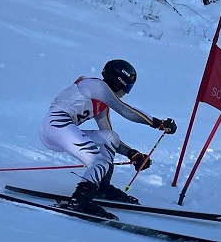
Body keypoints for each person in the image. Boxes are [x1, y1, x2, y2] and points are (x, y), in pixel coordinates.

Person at [40, 59, 177, 219]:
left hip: (63, 130)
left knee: (110, 137)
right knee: (98, 161)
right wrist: (156, 122)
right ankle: (80, 201)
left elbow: (108, 135)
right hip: (56, 126)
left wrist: (131, 153)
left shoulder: (101, 104)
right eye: (128, 87)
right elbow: (125, 110)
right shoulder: (95, 86)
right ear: (118, 82)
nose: (127, 92)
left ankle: (102, 187)